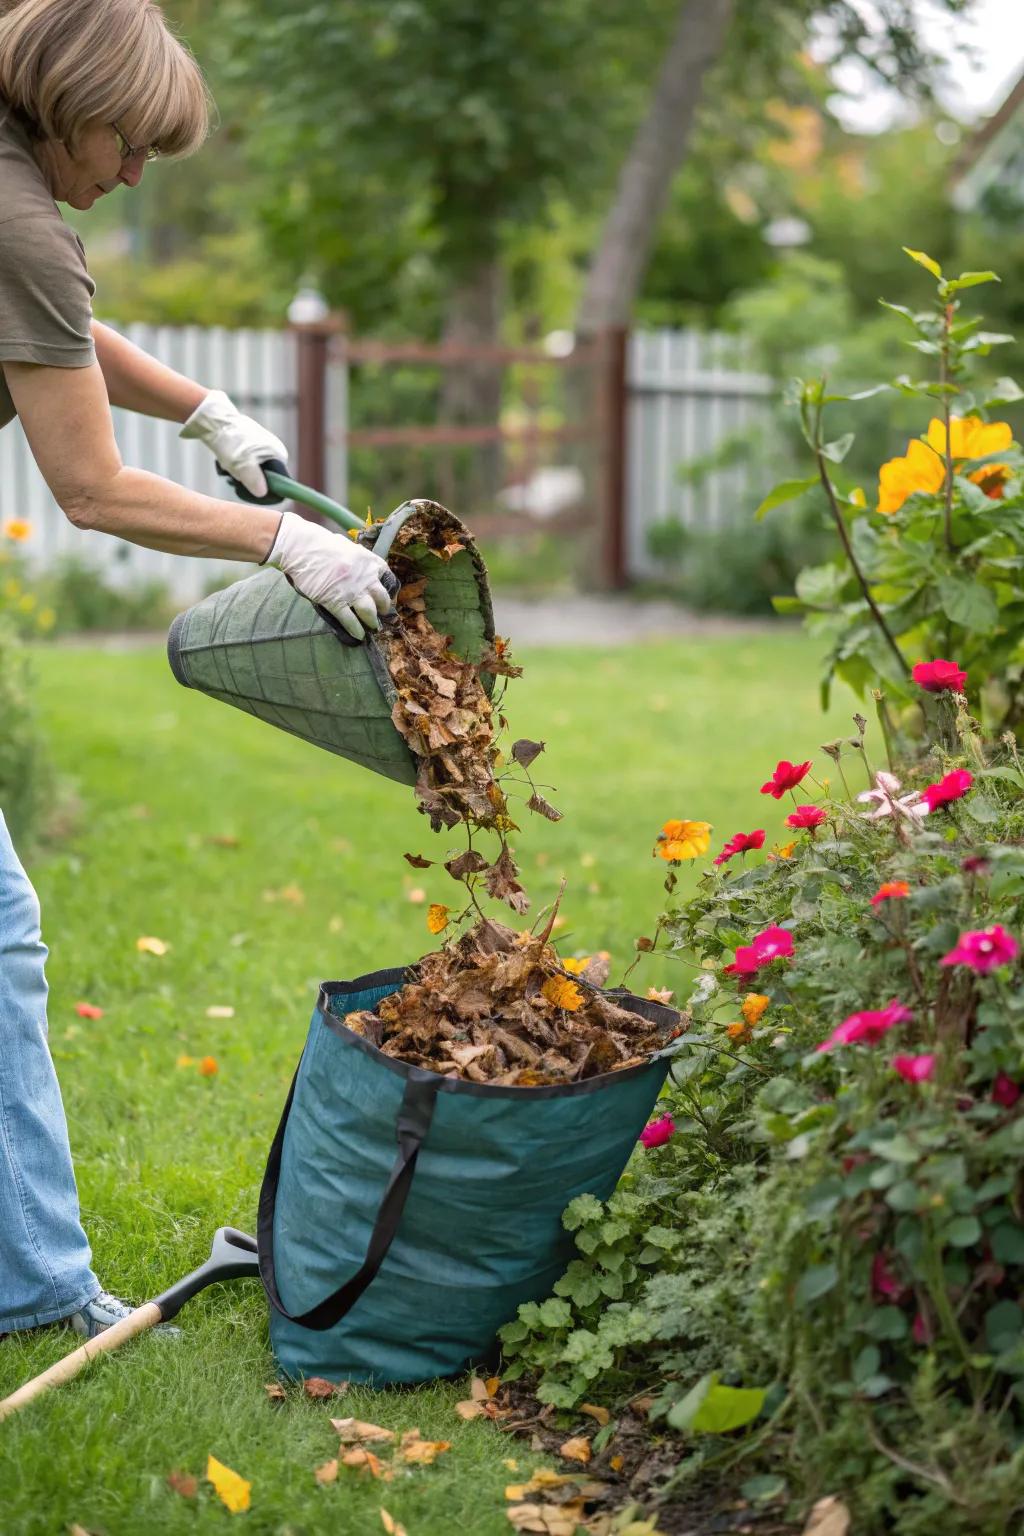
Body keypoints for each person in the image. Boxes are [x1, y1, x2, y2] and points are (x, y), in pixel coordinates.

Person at [0, 0, 393, 1341]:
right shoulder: (19, 215)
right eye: (130, 141)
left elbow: (49, 327)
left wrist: (203, 409)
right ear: (68, 98)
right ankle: (37, 1289)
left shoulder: (9, 190)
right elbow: (93, 492)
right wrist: (289, 542)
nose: (135, 171)